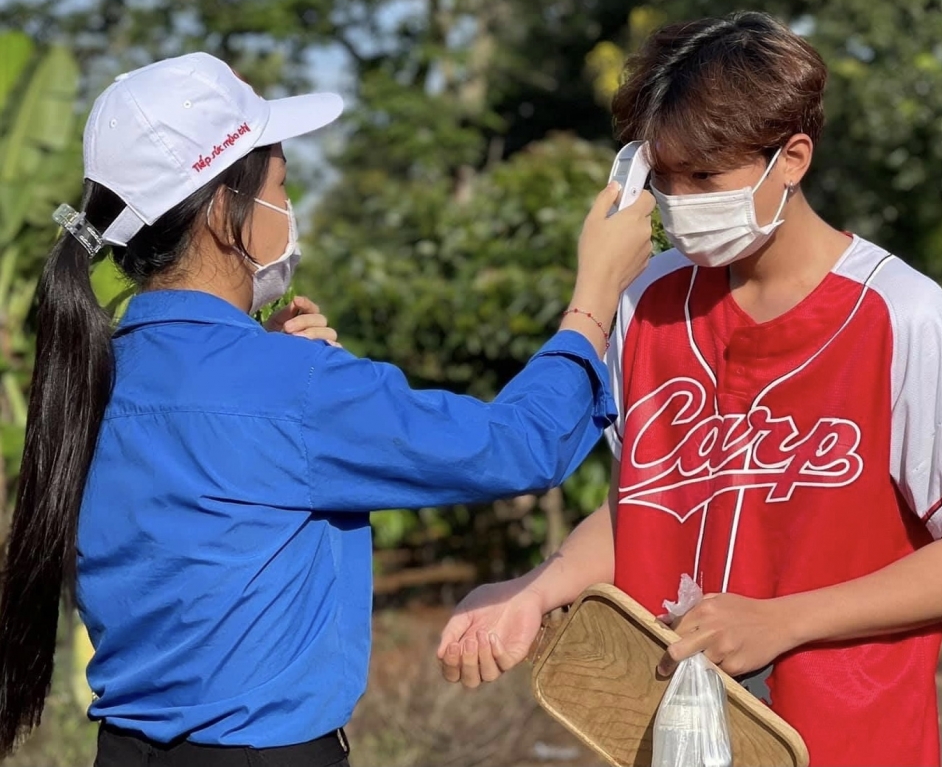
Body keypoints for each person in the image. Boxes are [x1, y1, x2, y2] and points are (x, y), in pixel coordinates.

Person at [0, 52, 655, 767]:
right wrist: (595, 297)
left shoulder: (95, 372)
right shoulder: (294, 385)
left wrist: (268, 360)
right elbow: (517, 447)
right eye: (281, 185)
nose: (289, 209)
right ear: (225, 211)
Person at [437, 12, 942, 767]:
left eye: (706, 177)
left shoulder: (901, 314)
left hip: (847, 740)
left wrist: (784, 620)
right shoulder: (642, 301)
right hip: (664, 737)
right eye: (665, 177)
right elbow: (644, 505)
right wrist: (534, 589)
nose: (681, 202)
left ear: (792, 158)